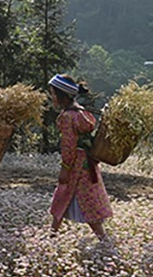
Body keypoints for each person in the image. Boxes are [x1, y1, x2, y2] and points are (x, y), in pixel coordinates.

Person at [47, 74, 112, 241]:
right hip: (87, 163)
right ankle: (52, 236)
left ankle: (104, 240)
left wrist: (65, 168)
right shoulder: (82, 112)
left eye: (53, 93)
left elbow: (68, 146)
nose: (51, 97)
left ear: (62, 95)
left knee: (82, 201)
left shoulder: (67, 117)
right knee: (68, 198)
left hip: (76, 165)